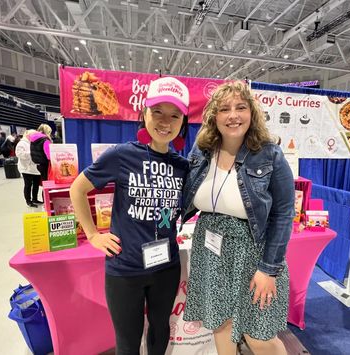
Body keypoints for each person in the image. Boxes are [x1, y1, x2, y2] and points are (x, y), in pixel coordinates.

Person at [70, 76, 190, 355]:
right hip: (125, 269)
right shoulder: (122, 155)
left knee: (160, 332)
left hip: (166, 267)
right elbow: (78, 189)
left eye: (175, 115)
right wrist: (92, 235)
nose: (165, 121)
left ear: (182, 123)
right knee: (127, 342)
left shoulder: (182, 166)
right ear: (143, 113)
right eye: (157, 111)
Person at [182, 81, 295, 355]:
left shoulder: (270, 154)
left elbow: (283, 214)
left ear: (252, 113)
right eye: (224, 109)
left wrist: (269, 269)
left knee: (258, 335)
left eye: (240, 107)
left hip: (253, 254)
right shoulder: (201, 151)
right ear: (214, 117)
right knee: (221, 323)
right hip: (209, 251)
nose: (233, 115)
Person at [16, 129, 42, 207]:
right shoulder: (21, 143)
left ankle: (35, 199)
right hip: (26, 168)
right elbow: (19, 154)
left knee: (36, 184)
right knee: (28, 185)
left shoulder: (34, 143)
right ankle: (28, 201)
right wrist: (31, 153)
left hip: (35, 168)